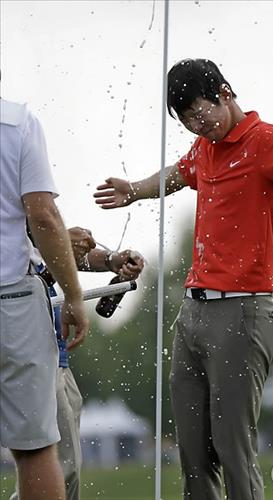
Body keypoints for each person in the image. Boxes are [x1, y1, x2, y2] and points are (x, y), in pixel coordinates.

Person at [93, 59, 273, 500]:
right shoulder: (204, 148)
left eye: (202, 114)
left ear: (225, 93)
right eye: (188, 122)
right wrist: (134, 190)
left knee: (233, 451)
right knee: (194, 456)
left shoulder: (264, 140)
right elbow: (178, 174)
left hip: (242, 312)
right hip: (193, 313)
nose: (199, 127)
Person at [9, 226, 145, 500]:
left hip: (54, 351)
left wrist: (112, 260)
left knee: (65, 470)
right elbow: (19, 278)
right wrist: (63, 253)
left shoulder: (27, 210)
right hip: (31, 348)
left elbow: (47, 251)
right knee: (56, 472)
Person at [0, 98, 89, 500]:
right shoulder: (17, 122)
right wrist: (73, 295)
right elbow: (43, 216)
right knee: (34, 449)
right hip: (12, 299)